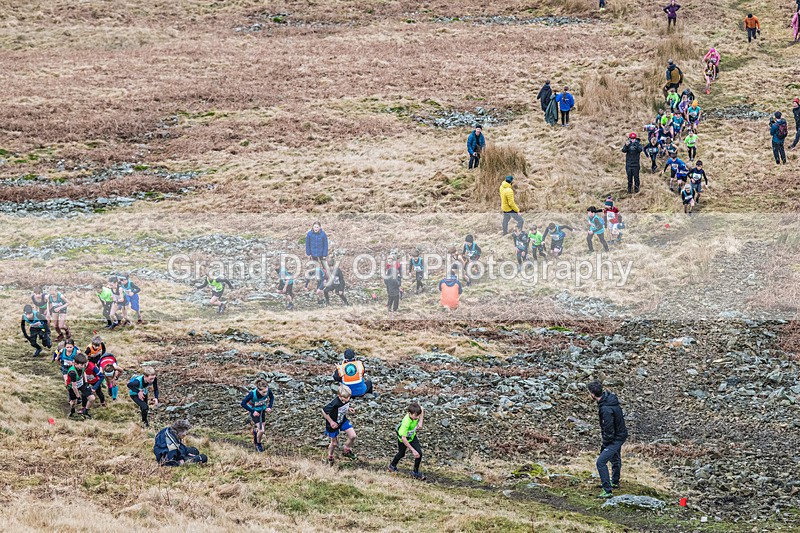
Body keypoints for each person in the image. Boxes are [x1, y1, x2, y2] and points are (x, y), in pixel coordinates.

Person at [588, 381, 628, 499]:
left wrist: (605, 444)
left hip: (616, 438)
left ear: (593, 394)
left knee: (601, 462)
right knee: (615, 458)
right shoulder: (610, 400)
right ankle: (614, 482)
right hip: (620, 435)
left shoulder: (605, 408)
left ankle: (607, 490)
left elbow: (608, 429)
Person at [388, 403, 426, 480]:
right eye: (416, 416)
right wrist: (412, 450)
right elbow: (403, 438)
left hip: (412, 437)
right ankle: (392, 465)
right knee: (401, 454)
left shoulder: (416, 413)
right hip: (403, 440)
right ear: (409, 413)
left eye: (418, 415)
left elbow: (422, 408)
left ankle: (415, 473)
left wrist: (420, 422)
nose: (417, 417)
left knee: (419, 453)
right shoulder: (406, 423)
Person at [322, 384, 357, 464]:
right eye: (345, 398)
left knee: (353, 436)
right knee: (334, 443)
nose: (347, 399)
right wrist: (331, 422)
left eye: (349, 397)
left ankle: (346, 449)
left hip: (342, 420)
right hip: (333, 425)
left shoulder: (346, 398)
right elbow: (324, 411)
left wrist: (349, 409)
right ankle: (330, 456)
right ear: (339, 396)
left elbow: (343, 407)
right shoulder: (335, 403)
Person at [241, 379, 274, 452]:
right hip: (255, 412)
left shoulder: (268, 390)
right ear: (258, 390)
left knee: (260, 429)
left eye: (266, 391)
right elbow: (243, 403)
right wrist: (253, 411)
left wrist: (269, 407)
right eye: (263, 392)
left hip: (262, 411)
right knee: (262, 430)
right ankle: (258, 444)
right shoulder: (252, 394)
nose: (265, 394)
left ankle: (255, 431)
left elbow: (272, 397)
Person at [65, 353, 98, 418]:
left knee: (92, 398)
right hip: (72, 387)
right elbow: (74, 386)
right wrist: (78, 397)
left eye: (84, 364)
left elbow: (84, 372)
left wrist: (86, 382)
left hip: (81, 384)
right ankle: (72, 411)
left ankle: (85, 411)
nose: (83, 366)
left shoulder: (82, 366)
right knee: (74, 402)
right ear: (75, 364)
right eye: (82, 365)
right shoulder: (73, 373)